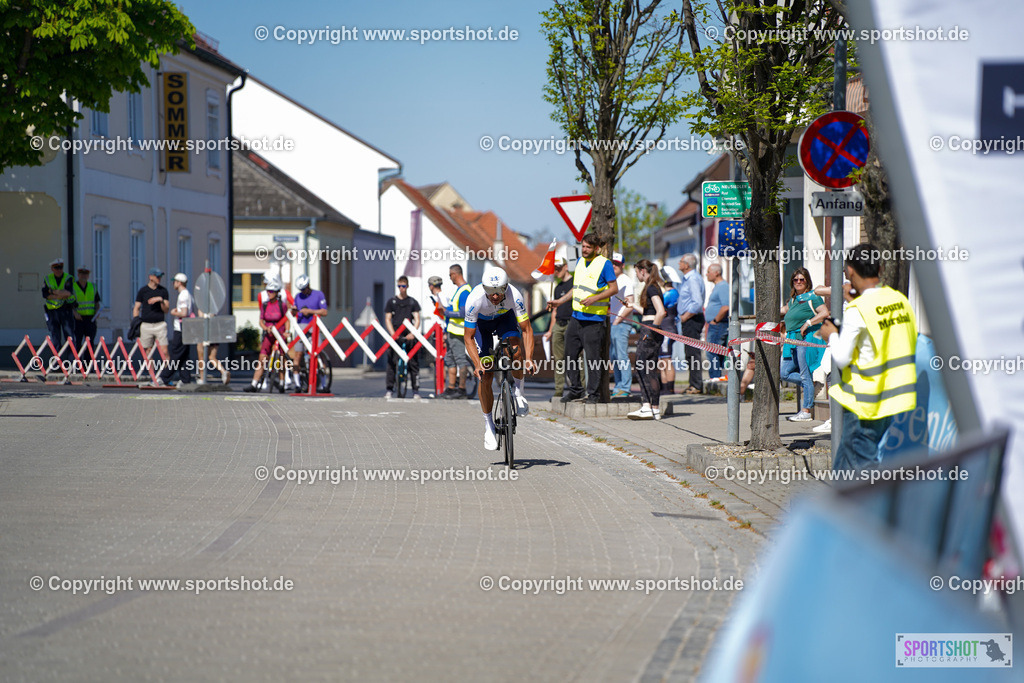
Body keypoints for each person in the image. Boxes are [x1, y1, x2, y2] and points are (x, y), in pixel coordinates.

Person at [819, 243, 917, 471]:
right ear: (880, 269)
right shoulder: (899, 301)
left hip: (865, 403)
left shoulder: (858, 310)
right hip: (894, 398)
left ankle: (877, 506)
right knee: (844, 468)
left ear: (850, 271)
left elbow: (841, 358)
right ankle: (840, 505)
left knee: (863, 468)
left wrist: (831, 335)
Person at [463, 268, 536, 450]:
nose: (495, 296)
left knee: (516, 351)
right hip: (482, 326)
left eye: (499, 291)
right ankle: (489, 425)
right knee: (486, 373)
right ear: (483, 288)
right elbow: (468, 337)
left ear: (506, 287)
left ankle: (518, 392)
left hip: (505, 318)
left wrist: (529, 359)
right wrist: (477, 364)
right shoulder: (474, 299)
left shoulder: (515, 295)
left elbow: (526, 329)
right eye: (490, 291)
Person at [546, 233, 618, 404]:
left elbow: (614, 289)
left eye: (588, 247)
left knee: (592, 359)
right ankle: (576, 390)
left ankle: (593, 395)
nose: (584, 250)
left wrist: (595, 298)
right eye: (583, 247)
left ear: (596, 248)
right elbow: (576, 289)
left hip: (594, 320)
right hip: (576, 318)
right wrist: (559, 301)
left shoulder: (604, 264)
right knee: (569, 355)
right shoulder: (579, 262)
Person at [780, 267, 829, 421]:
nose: (799, 282)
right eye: (796, 280)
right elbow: (784, 310)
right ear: (792, 282)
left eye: (802, 279)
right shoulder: (794, 300)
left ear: (807, 281)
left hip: (803, 340)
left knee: (803, 373)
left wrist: (808, 323)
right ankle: (811, 385)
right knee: (784, 373)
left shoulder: (812, 296)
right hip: (790, 341)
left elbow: (824, 313)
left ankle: (806, 411)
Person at [627, 260, 665, 420]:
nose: (636, 275)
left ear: (643, 270)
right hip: (649, 326)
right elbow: (648, 310)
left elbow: (661, 311)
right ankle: (653, 408)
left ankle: (647, 406)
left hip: (649, 329)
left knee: (642, 368)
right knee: (649, 370)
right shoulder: (654, 286)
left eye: (636, 272)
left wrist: (650, 332)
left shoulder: (651, 287)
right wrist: (632, 305)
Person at [245, 275, 290, 392]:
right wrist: (266, 328)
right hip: (268, 334)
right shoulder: (265, 305)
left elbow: (287, 319)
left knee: (281, 358)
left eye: (271, 291)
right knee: (262, 358)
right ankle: (254, 383)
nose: (269, 293)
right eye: (268, 291)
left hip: (280, 333)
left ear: (276, 292)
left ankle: (281, 382)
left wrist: (287, 332)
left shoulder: (282, 305)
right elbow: (261, 321)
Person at [384, 275, 421, 399]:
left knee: (413, 364)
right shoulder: (392, 302)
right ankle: (390, 389)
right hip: (396, 335)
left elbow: (417, 318)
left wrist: (413, 332)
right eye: (399, 286)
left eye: (403, 286)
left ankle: (415, 391)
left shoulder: (412, 302)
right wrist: (392, 333)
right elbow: (388, 318)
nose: (401, 288)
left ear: (407, 286)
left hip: (409, 335)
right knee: (391, 362)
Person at [290, 273, 328, 392]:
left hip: (314, 326)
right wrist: (294, 311)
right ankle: (297, 384)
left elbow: (324, 312)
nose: (303, 291)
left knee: (317, 353)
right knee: (298, 354)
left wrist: (310, 311)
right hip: (301, 326)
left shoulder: (318, 294)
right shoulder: (298, 296)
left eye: (304, 289)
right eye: (301, 289)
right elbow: (293, 312)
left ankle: (323, 383)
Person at [134, 267, 170, 386]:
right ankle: (153, 377)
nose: (159, 278)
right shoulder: (143, 291)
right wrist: (135, 321)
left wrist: (160, 300)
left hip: (160, 324)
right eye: (157, 276)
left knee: (164, 352)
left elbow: (166, 309)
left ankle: (166, 376)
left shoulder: (163, 291)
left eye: (160, 276)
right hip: (146, 325)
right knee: (148, 352)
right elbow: (137, 307)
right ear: (151, 277)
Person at [676, 253, 706, 394]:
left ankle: (696, 384)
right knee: (689, 353)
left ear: (687, 265)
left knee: (693, 353)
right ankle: (692, 383)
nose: (679, 264)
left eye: (681, 261)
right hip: (689, 319)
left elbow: (697, 302)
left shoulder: (693, 279)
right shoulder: (688, 278)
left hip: (692, 319)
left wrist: (685, 317)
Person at [543, 259, 573, 398]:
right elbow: (554, 311)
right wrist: (550, 330)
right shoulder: (557, 287)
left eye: (559, 268)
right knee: (558, 360)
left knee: (575, 358)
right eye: (554, 269)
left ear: (566, 267)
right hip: (558, 325)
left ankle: (578, 388)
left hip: (571, 323)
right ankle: (559, 390)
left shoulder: (574, 284)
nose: (556, 271)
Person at [442, 265, 473, 399]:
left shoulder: (465, 291)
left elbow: (463, 312)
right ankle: (451, 388)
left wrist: (447, 312)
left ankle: (461, 390)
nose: (450, 278)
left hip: (459, 333)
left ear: (455, 274)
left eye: (450, 275)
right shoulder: (460, 290)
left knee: (460, 360)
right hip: (452, 332)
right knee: (450, 359)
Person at [159, 273, 195, 386]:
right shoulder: (187, 294)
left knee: (176, 353)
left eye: (174, 281)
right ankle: (185, 379)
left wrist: (174, 312)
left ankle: (164, 377)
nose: (173, 283)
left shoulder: (183, 295)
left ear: (179, 282)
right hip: (186, 328)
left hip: (181, 329)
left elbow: (184, 313)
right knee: (184, 356)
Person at [608, 253, 634, 398]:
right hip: (614, 322)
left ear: (622, 266)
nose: (614, 266)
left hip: (622, 323)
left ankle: (625, 386)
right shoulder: (613, 280)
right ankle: (619, 385)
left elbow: (630, 304)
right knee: (614, 356)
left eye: (617, 264)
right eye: (612, 263)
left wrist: (617, 320)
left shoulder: (625, 280)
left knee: (621, 355)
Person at [41, 258, 76, 353]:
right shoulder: (48, 278)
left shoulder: (68, 277)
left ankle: (72, 363)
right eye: (56, 267)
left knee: (69, 337)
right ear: (52, 268)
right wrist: (60, 294)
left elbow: (68, 293)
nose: (59, 270)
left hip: (65, 310)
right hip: (52, 312)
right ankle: (57, 364)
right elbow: (45, 295)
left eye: (61, 267)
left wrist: (52, 291)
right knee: (55, 338)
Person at [705, 264, 729, 381]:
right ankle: (716, 377)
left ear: (717, 273)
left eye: (709, 271)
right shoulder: (718, 286)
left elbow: (725, 307)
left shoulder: (723, 286)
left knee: (712, 351)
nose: (707, 274)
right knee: (715, 351)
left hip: (719, 324)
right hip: (716, 324)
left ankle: (715, 378)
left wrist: (715, 320)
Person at [659, 277, 679, 394]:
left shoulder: (671, 293)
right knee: (661, 359)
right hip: (663, 329)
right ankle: (665, 387)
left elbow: (660, 303)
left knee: (666, 359)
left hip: (668, 329)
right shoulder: (669, 293)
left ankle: (670, 388)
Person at [72, 266, 100, 349]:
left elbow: (97, 301)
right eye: (82, 274)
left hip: (91, 319)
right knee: (78, 342)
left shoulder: (93, 286)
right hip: (78, 319)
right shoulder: (73, 287)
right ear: (78, 275)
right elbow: (69, 303)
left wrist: (97, 311)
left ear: (88, 275)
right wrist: (74, 313)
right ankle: (78, 361)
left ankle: (88, 362)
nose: (84, 276)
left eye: (86, 274)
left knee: (90, 343)